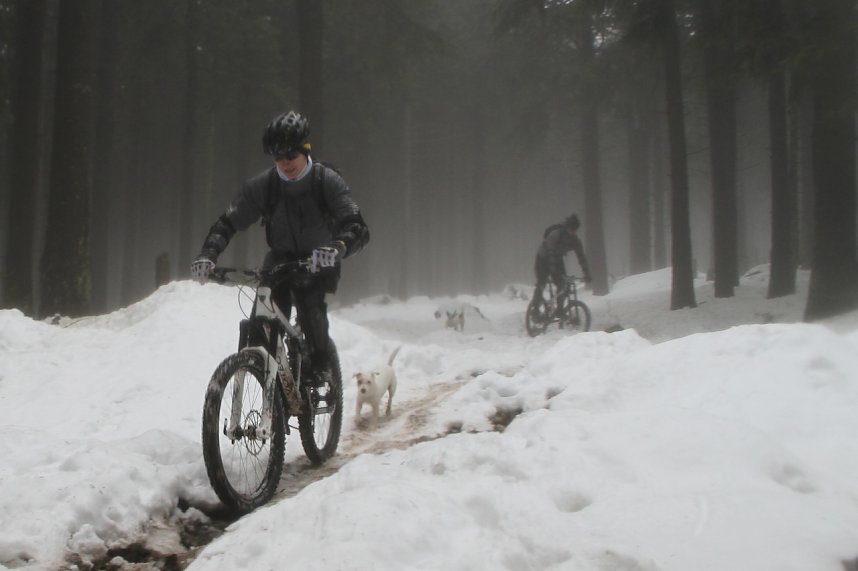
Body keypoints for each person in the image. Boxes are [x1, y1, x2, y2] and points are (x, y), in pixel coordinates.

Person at [191, 110, 369, 384]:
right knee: (262, 322)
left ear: (305, 150)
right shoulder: (264, 187)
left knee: (311, 305)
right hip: (281, 259)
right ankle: (269, 385)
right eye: (278, 157)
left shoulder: (327, 181)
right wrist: (208, 254)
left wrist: (338, 247)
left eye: (291, 156)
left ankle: (320, 366)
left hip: (320, 258)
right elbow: (227, 223)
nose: (285, 163)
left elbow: (356, 227)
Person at [532, 213, 591, 305]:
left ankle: (560, 310)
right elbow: (550, 251)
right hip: (543, 259)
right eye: (571, 229)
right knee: (541, 284)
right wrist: (553, 269)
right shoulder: (556, 234)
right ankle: (535, 310)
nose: (573, 231)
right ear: (567, 226)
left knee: (563, 285)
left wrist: (587, 274)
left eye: (575, 230)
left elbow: (581, 257)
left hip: (557, 260)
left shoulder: (574, 240)